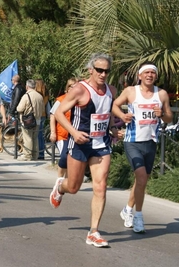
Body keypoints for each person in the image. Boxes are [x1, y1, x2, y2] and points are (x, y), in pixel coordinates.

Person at [50, 53, 118, 248]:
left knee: (101, 185)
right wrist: (73, 132)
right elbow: (59, 112)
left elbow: (107, 112)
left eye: (107, 71)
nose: (103, 74)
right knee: (74, 187)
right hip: (79, 143)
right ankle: (60, 186)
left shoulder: (111, 90)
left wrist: (112, 128)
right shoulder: (80, 90)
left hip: (101, 144)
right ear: (91, 70)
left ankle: (93, 232)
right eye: (99, 70)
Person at [112, 62, 172, 233]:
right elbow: (114, 105)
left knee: (141, 180)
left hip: (150, 142)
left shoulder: (161, 94)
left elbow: (169, 117)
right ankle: (138, 217)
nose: (149, 75)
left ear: (156, 76)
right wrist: (123, 115)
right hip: (132, 141)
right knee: (141, 177)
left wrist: (163, 115)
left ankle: (127, 210)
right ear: (139, 76)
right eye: (146, 72)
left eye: (153, 72)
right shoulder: (131, 91)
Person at [50, 77, 78, 178]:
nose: (73, 88)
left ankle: (67, 178)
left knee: (73, 157)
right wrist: (53, 132)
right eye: (71, 86)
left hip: (75, 134)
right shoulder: (61, 100)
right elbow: (53, 115)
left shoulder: (80, 100)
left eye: (76, 86)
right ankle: (60, 177)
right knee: (64, 156)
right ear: (67, 88)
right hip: (63, 134)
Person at [16, 79, 44, 161]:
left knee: (28, 137)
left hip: (28, 120)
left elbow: (19, 108)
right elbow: (42, 109)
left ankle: (27, 155)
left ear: (27, 86)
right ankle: (35, 155)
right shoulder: (40, 96)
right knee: (35, 138)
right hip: (38, 120)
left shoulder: (26, 96)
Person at [35, 79, 49, 160]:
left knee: (38, 135)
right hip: (44, 115)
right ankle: (41, 152)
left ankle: (40, 153)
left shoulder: (38, 94)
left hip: (38, 114)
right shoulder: (46, 94)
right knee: (41, 134)